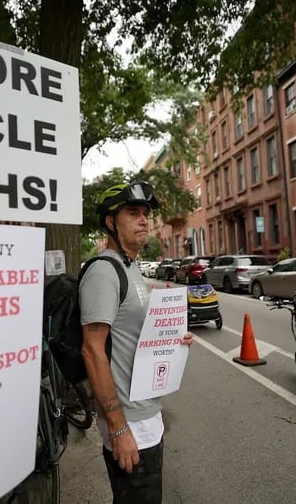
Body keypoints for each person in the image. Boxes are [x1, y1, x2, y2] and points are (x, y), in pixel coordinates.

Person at [80, 181, 194, 503]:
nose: (144, 220)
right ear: (111, 222)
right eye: (133, 213)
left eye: (145, 213)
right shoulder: (103, 272)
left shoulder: (131, 269)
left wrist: (173, 339)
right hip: (129, 424)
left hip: (148, 416)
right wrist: (117, 429)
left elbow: (136, 334)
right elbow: (92, 351)